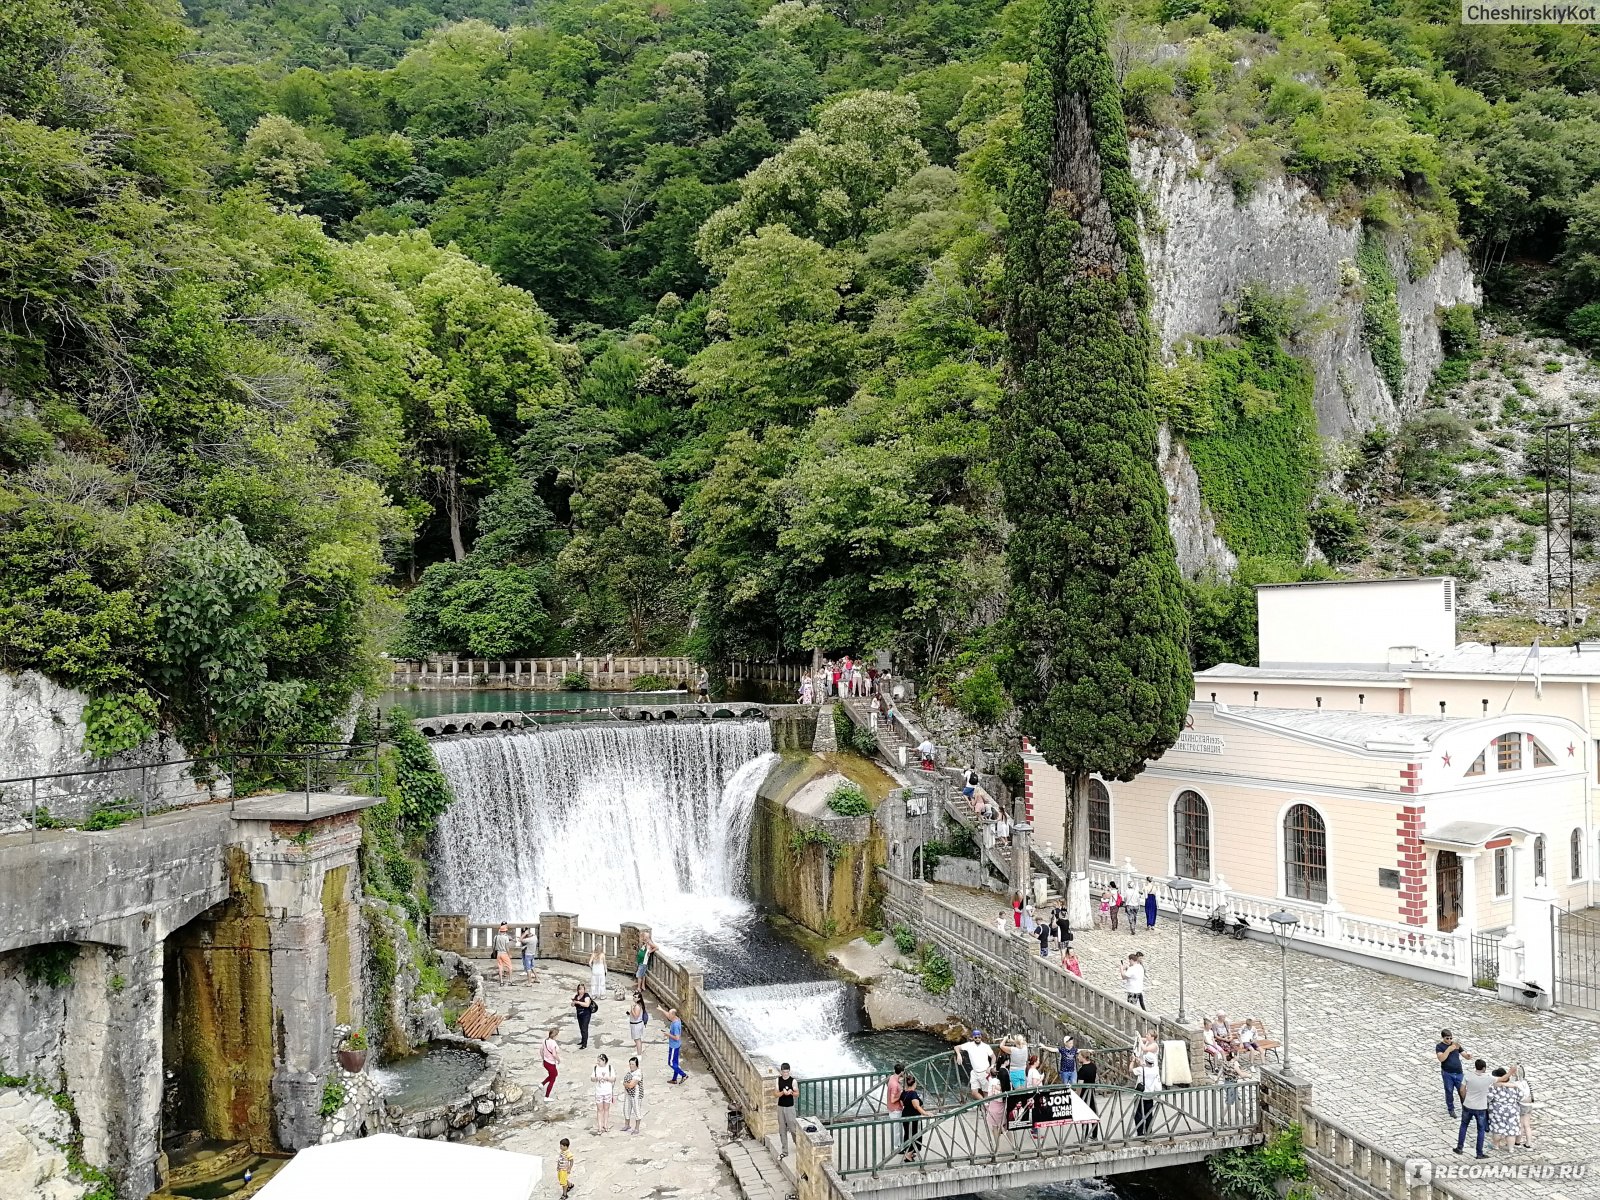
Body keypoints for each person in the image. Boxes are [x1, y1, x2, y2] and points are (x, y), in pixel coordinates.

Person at [1454, 1058, 1492, 1159]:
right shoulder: (1488, 1078)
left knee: (1463, 1125)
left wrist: (1465, 1099)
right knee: (1481, 1130)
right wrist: (1511, 1072)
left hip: (1468, 1105)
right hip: (1480, 1108)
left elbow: (1462, 1090)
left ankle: (1459, 1147)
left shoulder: (1468, 1076)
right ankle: (1479, 1153)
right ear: (1484, 1068)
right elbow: (1501, 1079)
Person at [1435, 1029, 1467, 1117]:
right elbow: (1441, 1058)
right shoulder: (1439, 1047)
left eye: (1450, 1038)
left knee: (1462, 1091)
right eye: (1447, 1038)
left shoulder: (1455, 1045)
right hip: (1447, 1073)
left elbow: (1464, 1054)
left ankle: (1465, 1110)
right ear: (1443, 1038)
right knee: (1449, 1091)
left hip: (1459, 1072)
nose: (1449, 1040)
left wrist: (1468, 1056)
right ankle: (1451, 1109)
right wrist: (1448, 1050)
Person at [1487, 1067, 1520, 1152]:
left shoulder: (1494, 1087)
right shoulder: (1514, 1086)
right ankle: (1511, 1148)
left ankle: (1496, 1146)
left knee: (1497, 1128)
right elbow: (1520, 1097)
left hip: (1497, 1111)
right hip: (1512, 1110)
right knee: (1511, 1130)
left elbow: (1488, 1098)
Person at [899, 1074, 929, 1162]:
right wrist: (925, 1113)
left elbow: (902, 1103)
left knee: (908, 1134)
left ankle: (908, 1151)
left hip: (905, 1115)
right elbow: (916, 1106)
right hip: (913, 1117)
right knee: (916, 1135)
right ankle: (908, 1155)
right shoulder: (913, 1094)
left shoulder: (904, 1093)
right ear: (914, 1083)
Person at [1134, 1051, 1161, 1136]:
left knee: (1139, 1115)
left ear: (1145, 1060)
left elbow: (1131, 1070)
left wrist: (1133, 1062)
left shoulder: (1141, 1070)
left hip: (1141, 1095)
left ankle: (1140, 1133)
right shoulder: (1155, 1069)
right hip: (1150, 1095)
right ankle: (1149, 1132)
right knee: (1149, 1115)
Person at [776, 1063, 798, 1156]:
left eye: (787, 1072)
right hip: (780, 1106)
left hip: (790, 1107)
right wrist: (782, 1093)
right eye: (784, 1072)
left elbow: (797, 1094)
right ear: (781, 1072)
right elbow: (775, 1094)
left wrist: (791, 1092)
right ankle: (785, 1150)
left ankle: (798, 1144)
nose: (785, 1074)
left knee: (793, 1128)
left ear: (789, 1071)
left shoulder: (793, 1081)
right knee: (782, 1129)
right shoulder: (778, 1080)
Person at [1512, 1063, 1535, 1149]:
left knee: (1521, 1124)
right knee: (1527, 1125)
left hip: (1522, 1105)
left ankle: (1517, 1141)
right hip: (1529, 1104)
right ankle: (1528, 1142)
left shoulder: (1516, 1084)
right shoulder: (1526, 1081)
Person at [622, 1056, 646, 1134]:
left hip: (636, 1094)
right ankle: (627, 1125)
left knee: (636, 1110)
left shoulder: (638, 1073)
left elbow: (631, 1085)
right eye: (630, 1064)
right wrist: (627, 1084)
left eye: (632, 1064)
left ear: (636, 1065)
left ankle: (637, 1128)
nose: (631, 1066)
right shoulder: (630, 1072)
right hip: (628, 1094)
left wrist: (625, 1083)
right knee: (626, 1109)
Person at [592, 1053, 615, 1132]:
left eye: (599, 1061)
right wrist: (596, 1078)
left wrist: (607, 1078)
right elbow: (592, 1078)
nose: (598, 1062)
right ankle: (599, 1126)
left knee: (606, 1109)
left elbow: (613, 1078)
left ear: (604, 1061)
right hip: (599, 1091)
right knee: (599, 1109)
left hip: (607, 1091)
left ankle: (605, 1124)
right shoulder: (595, 1068)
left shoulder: (610, 1068)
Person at [572, 984, 598, 1049]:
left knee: (584, 1028)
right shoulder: (576, 996)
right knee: (581, 1028)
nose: (581, 991)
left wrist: (578, 1002)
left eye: (582, 989)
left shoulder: (586, 996)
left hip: (586, 1014)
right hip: (579, 1014)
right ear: (578, 990)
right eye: (580, 989)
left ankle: (584, 1044)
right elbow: (572, 1005)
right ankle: (583, 1040)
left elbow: (587, 1004)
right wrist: (573, 1002)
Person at [666, 1007, 687, 1083]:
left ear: (673, 1015)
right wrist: (661, 1010)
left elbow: (677, 1037)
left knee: (671, 1063)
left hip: (674, 1046)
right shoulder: (677, 1019)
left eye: (669, 1014)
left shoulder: (675, 1025)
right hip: (677, 1045)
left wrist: (668, 1034)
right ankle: (674, 1079)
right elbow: (668, 1016)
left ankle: (683, 1075)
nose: (668, 1015)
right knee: (675, 1063)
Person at [542, 1028, 562, 1097]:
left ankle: (542, 1084)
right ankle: (547, 1096)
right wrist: (558, 1060)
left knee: (553, 1075)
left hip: (545, 1062)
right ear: (554, 1036)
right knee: (553, 1079)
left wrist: (543, 1060)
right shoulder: (553, 1043)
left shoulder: (545, 1040)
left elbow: (541, 1051)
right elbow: (554, 1054)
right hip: (551, 1063)